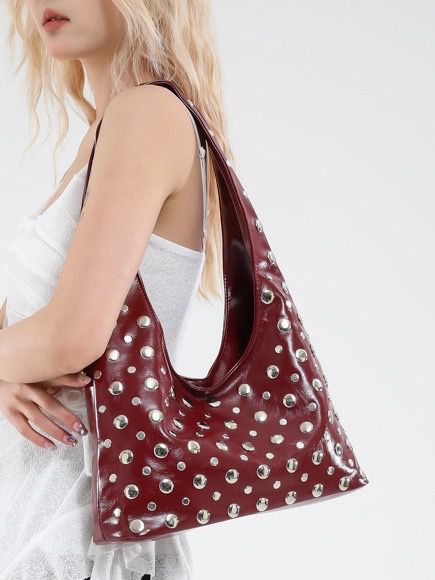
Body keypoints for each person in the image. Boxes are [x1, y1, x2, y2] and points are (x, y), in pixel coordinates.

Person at [0, 1, 232, 578]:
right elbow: (25, 327)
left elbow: (72, 338)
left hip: (82, 526)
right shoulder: (107, 130)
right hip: (49, 513)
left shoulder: (145, 114)